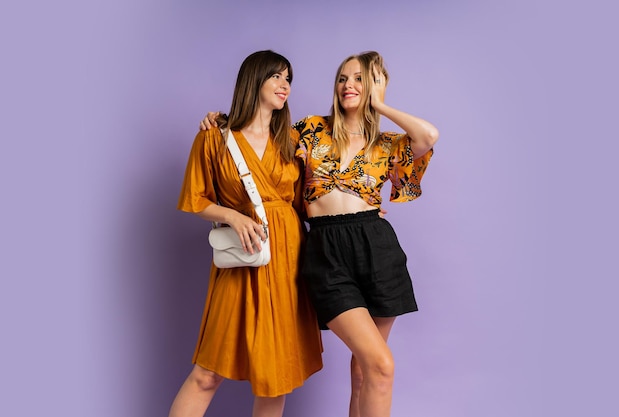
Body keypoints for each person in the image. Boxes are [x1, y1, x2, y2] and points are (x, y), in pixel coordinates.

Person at [201, 51, 439, 417]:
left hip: (377, 246)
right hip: (325, 248)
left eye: (359, 78)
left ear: (376, 85)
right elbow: (259, 136)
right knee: (380, 363)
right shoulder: (310, 128)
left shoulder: (388, 142)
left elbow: (428, 135)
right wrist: (221, 121)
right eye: (342, 78)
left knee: (365, 369)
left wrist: (380, 105)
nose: (348, 85)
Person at [171, 50, 322, 417]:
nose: (284, 85)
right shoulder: (213, 137)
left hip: (287, 260)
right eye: (276, 76)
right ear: (253, 80)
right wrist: (233, 217)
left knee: (276, 375)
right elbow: (195, 199)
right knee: (207, 373)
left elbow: (310, 199)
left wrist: (360, 205)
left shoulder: (292, 140)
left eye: (288, 78)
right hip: (241, 255)